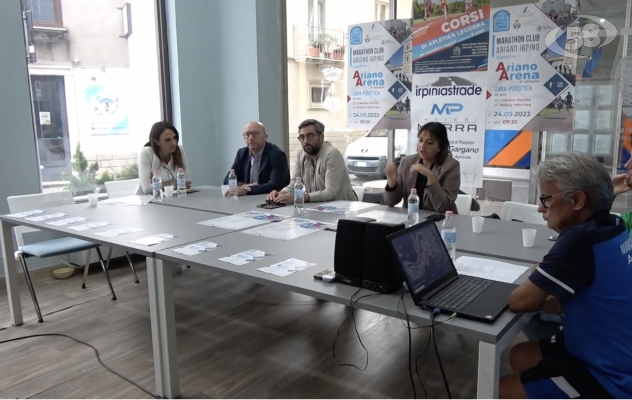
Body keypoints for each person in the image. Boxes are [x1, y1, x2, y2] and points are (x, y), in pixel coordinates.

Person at [499, 152, 632, 399]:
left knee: (498, 391)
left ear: (578, 200)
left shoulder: (579, 240)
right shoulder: (613, 226)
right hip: (606, 345)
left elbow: (519, 301)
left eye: (546, 199)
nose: (540, 208)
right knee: (520, 355)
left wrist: (543, 291)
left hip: (611, 378)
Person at [266, 119, 356, 204]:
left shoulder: (332, 154)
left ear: (321, 137)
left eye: (310, 136)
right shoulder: (301, 154)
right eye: (302, 137)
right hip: (316, 207)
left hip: (342, 208)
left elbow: (330, 192)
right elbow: (295, 183)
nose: (305, 141)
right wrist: (281, 193)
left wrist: (298, 197)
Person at [383, 122, 460, 213]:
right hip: (411, 219)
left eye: (429, 143)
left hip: (440, 221)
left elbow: (444, 207)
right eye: (420, 140)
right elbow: (390, 202)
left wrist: (430, 176)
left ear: (440, 147)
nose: (422, 146)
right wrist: (392, 184)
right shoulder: (406, 162)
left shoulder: (451, 166)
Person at [222, 121, 290, 196]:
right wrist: (245, 186)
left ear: (265, 136)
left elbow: (275, 185)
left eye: (255, 133)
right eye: (247, 134)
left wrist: (247, 189)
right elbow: (227, 180)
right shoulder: (241, 153)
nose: (250, 138)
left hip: (268, 198)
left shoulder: (277, 155)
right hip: (247, 199)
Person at [137, 121, 191, 195]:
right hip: (149, 201)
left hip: (175, 199)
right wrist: (175, 184)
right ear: (156, 141)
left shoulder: (179, 150)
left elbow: (187, 182)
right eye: (168, 140)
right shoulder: (146, 153)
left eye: (174, 138)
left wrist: (163, 185)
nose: (173, 143)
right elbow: (147, 189)